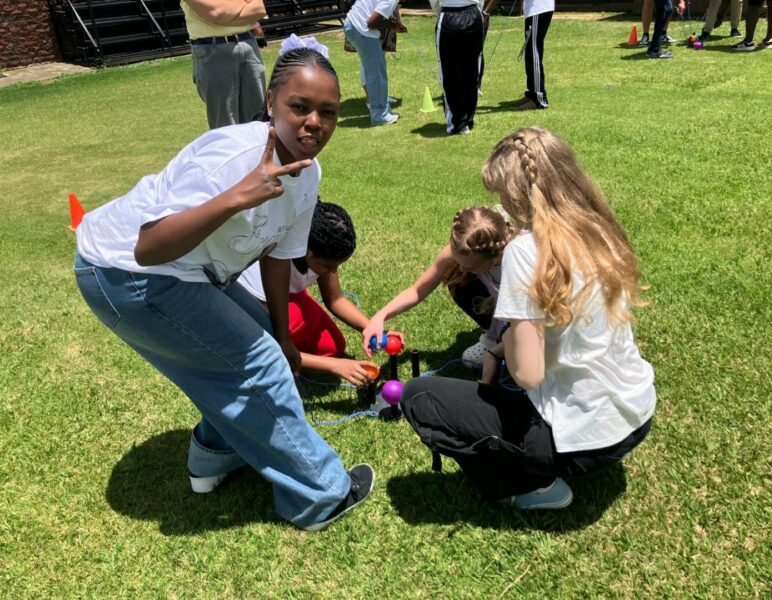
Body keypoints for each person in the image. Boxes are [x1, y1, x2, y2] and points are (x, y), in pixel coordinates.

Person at [73, 44, 374, 532]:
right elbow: (149, 248)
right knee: (259, 368)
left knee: (260, 351)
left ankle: (215, 457)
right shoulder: (231, 158)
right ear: (272, 101)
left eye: (328, 113)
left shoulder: (307, 172)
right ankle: (322, 496)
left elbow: (278, 257)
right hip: (124, 271)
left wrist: (283, 335)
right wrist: (238, 196)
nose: (314, 122)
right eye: (300, 106)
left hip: (189, 272)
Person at [401, 127, 656, 511]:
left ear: (521, 193)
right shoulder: (598, 230)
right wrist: (499, 347)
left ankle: (531, 486)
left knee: (419, 395)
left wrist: (506, 350)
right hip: (635, 417)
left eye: (502, 195)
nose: (502, 205)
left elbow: (529, 374)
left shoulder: (525, 249)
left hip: (583, 442)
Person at [238, 201, 377, 385]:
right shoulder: (271, 267)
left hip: (289, 296)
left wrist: (368, 327)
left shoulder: (319, 252)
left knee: (334, 346)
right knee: (291, 330)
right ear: (307, 252)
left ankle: (300, 312)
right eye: (328, 265)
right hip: (259, 305)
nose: (332, 270)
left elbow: (336, 298)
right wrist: (333, 366)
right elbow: (272, 344)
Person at [361, 206, 514, 368]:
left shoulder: (518, 262)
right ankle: (492, 336)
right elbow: (417, 291)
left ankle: (506, 337)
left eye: (470, 268)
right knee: (456, 277)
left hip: (527, 315)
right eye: (459, 261)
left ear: (495, 257)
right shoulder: (465, 249)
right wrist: (380, 316)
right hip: (497, 300)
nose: (462, 269)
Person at [181, 0, 267, 129]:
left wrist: (225, 12)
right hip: (213, 50)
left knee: (258, 120)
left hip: (249, 45)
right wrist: (242, 7)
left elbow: (259, 8)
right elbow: (217, 13)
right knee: (225, 125)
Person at [434, 0, 498, 134]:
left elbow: (434, 2)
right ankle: (468, 118)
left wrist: (438, 13)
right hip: (473, 14)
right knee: (472, 70)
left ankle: (458, 122)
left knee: (449, 71)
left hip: (449, 14)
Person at [343, 0, 406, 126]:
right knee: (376, 73)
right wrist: (392, 24)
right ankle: (379, 116)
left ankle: (384, 110)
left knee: (378, 69)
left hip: (353, 25)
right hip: (360, 29)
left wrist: (392, 23)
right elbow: (372, 23)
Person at [516, 0, 554, 110]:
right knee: (530, 53)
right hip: (535, 10)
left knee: (534, 53)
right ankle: (532, 94)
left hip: (538, 9)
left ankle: (539, 98)